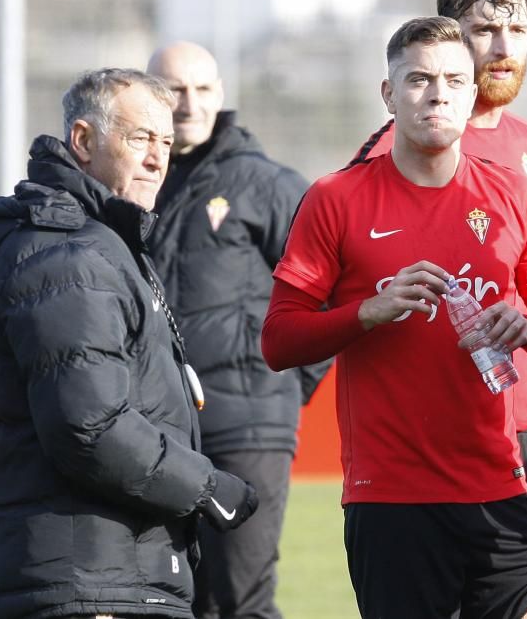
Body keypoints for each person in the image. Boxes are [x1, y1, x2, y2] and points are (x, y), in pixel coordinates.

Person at [262, 16, 527, 619]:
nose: (438, 93)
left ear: (472, 93)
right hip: (391, 501)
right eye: (419, 79)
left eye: (454, 80)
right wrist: (367, 313)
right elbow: (279, 340)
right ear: (389, 95)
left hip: (498, 489)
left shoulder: (516, 195)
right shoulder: (336, 198)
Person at [0, 68, 259, 619]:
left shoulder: (103, 246)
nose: (157, 158)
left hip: (107, 577)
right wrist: (207, 485)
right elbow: (88, 428)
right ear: (84, 141)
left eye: (165, 142)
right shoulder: (70, 256)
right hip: (91, 585)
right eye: (139, 137)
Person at [351, 0, 527, 513]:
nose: (503, 48)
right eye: (484, 30)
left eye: (516, 31)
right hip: (434, 441)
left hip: (520, 426)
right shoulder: (391, 152)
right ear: (449, 41)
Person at [146, 41, 330, 619]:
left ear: (221, 96)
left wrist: (278, 393)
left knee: (238, 601)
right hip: (162, 429)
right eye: (174, 90)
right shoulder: (138, 184)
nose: (188, 104)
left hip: (249, 430)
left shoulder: (267, 184)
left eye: (202, 89)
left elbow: (330, 294)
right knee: (171, 597)